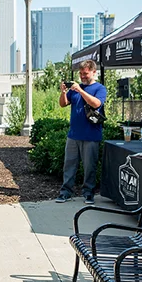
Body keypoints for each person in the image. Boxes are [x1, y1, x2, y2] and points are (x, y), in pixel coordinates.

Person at [56, 60, 107, 204]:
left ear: (93, 72)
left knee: (90, 166)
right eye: (81, 74)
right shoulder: (75, 88)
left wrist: (80, 90)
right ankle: (66, 192)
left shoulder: (100, 88)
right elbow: (63, 104)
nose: (83, 76)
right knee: (69, 165)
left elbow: (96, 104)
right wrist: (64, 92)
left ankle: (88, 193)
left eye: (85, 73)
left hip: (91, 135)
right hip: (73, 135)